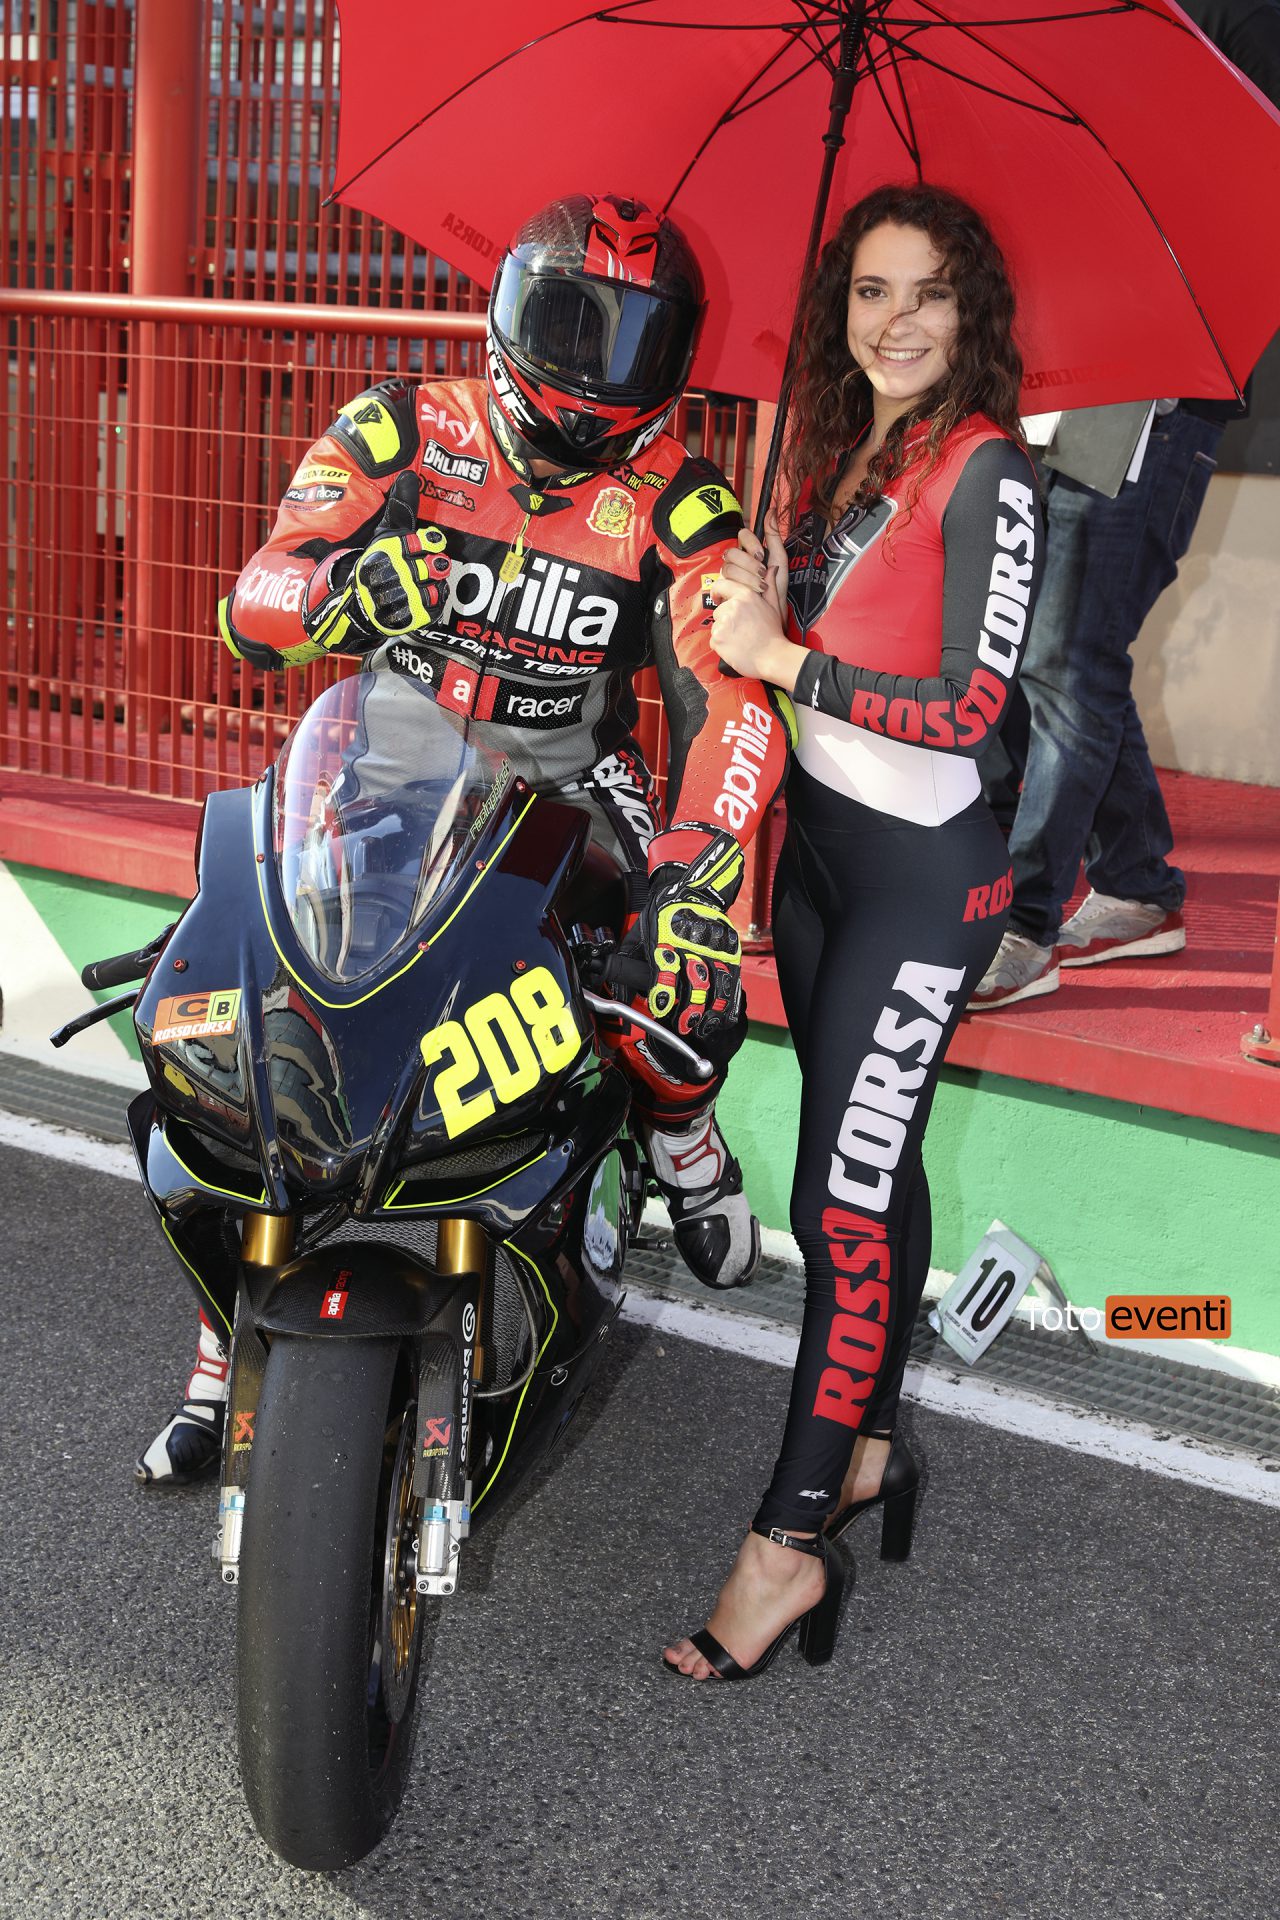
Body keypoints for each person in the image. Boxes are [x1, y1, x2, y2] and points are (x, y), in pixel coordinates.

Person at [137, 192, 795, 1486]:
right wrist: (334, 592)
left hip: (569, 789)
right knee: (228, 1004)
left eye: (638, 340)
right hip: (382, 769)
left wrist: (698, 863)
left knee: (681, 981)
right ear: (508, 312)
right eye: (574, 324)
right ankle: (221, 1338)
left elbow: (732, 703)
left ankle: (680, 1131)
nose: (599, 370)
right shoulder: (402, 428)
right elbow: (254, 597)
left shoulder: (681, 498)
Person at [662, 183, 1043, 1681]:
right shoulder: (836, 448)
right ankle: (870, 1445)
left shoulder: (989, 468)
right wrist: (755, 595)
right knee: (874, 1170)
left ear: (971, 311)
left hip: (919, 884)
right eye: (871, 291)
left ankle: (786, 1547)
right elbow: (799, 634)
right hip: (817, 864)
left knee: (838, 1204)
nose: (896, 321)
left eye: (929, 292)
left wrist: (786, 658)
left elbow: (969, 707)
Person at [968, 0, 1280, 1010]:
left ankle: (1026, 920)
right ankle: (1138, 882)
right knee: (1061, 658)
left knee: (1065, 661)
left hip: (1151, 390)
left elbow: (1245, 182)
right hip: (1064, 374)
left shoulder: (1233, 23)